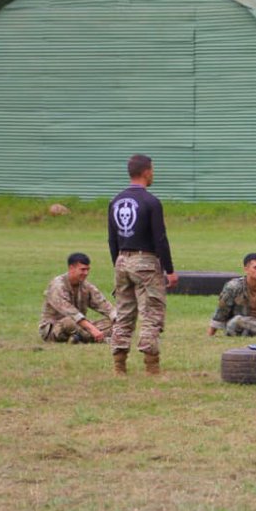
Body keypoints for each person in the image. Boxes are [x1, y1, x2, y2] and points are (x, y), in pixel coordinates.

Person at [108, 154, 177, 375]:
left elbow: (112, 239)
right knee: (152, 311)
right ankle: (151, 365)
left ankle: (119, 364)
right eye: (153, 170)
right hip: (145, 260)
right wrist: (170, 270)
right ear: (146, 172)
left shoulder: (115, 201)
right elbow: (160, 238)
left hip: (121, 259)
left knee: (125, 312)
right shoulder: (151, 202)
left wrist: (117, 265)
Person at [39, 252, 116, 344]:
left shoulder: (86, 286)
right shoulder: (57, 286)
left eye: (88, 269)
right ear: (71, 268)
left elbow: (104, 305)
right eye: (82, 270)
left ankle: (78, 338)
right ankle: (102, 340)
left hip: (81, 326)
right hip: (55, 328)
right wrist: (93, 329)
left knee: (116, 323)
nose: (86, 273)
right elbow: (72, 313)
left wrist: (117, 319)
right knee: (69, 321)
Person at [207, 253, 256, 337]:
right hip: (241, 323)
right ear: (246, 269)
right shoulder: (233, 287)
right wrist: (210, 335)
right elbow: (220, 313)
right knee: (238, 321)